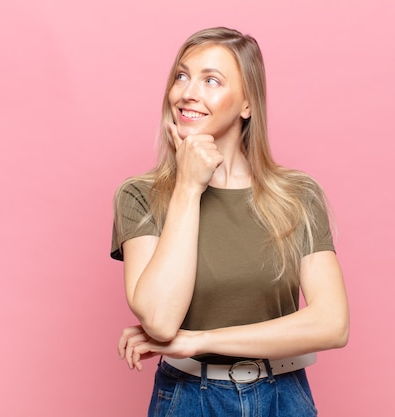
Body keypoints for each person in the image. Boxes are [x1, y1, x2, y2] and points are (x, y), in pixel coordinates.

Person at [111, 27, 349, 417]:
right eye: (182, 76)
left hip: (284, 398)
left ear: (247, 105)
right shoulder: (140, 195)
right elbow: (159, 320)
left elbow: (332, 323)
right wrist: (188, 186)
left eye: (211, 80)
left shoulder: (296, 195)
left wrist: (199, 340)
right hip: (189, 399)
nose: (187, 92)